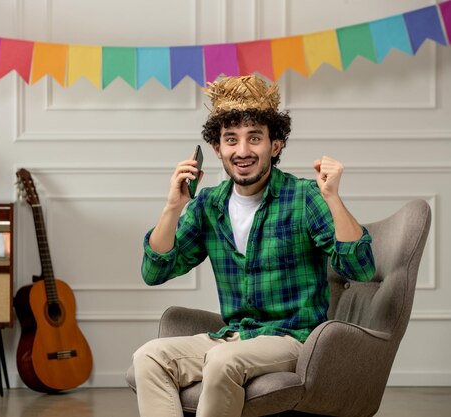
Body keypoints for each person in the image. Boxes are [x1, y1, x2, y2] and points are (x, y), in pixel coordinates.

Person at [132, 75, 376, 417]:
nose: (242, 151)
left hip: (293, 338)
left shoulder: (305, 197)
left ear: (274, 145)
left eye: (254, 138)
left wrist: (333, 198)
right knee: (148, 357)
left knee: (221, 360)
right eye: (231, 140)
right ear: (217, 149)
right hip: (235, 336)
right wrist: (173, 208)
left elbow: (361, 268)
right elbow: (154, 272)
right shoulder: (207, 206)